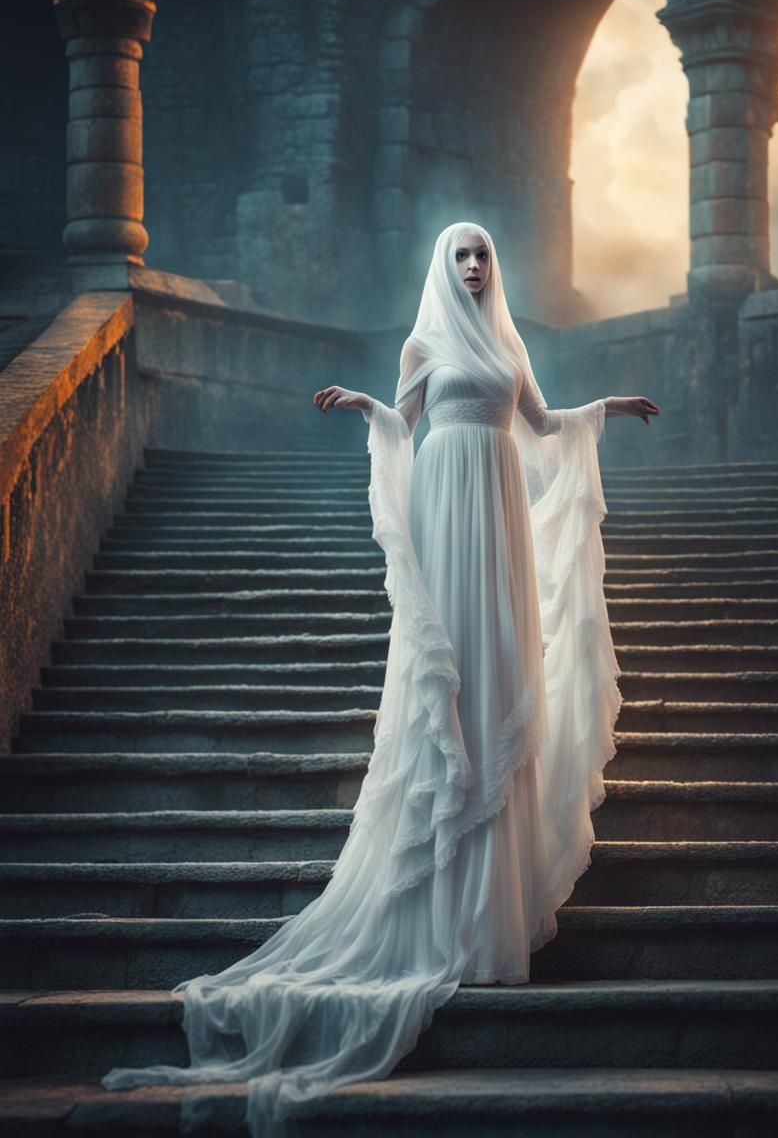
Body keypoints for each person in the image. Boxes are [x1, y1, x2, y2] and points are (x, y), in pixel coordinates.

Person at [101, 221, 660, 1137]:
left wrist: (607, 411)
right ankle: (438, 910)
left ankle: (487, 930)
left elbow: (544, 427)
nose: (475, 266)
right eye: (461, 256)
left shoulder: (510, 346)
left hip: (502, 521)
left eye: (484, 255)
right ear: (444, 268)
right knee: (451, 686)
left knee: (503, 684)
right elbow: (408, 422)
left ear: (495, 268)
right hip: (446, 503)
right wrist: (371, 408)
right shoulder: (424, 341)